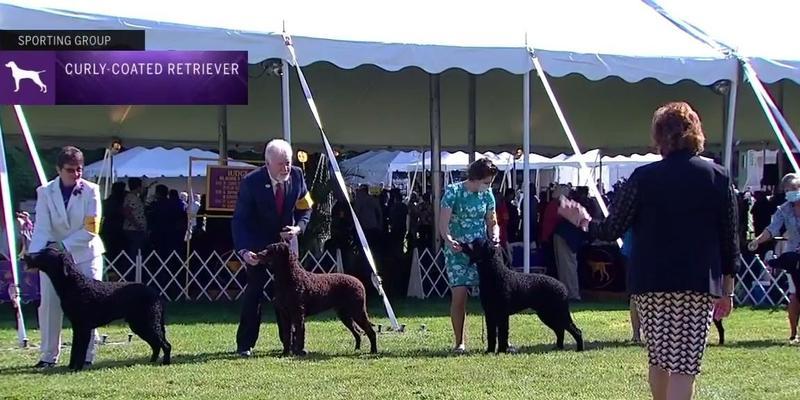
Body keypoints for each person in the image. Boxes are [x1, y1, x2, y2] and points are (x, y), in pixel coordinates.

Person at [559, 102, 737, 400]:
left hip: (651, 282)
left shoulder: (642, 177)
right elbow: (729, 238)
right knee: (685, 366)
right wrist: (728, 289)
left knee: (659, 358)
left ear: (659, 136)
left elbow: (611, 229)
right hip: (698, 282)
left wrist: (583, 220)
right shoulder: (718, 177)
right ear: (696, 132)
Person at [231, 139, 313, 357]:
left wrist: (298, 228)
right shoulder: (251, 182)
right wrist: (244, 251)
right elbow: (240, 220)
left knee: (289, 295)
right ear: (267, 163)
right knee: (254, 292)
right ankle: (245, 344)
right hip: (259, 247)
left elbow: (306, 208)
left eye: (287, 162)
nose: (285, 168)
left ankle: (292, 343)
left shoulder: (297, 175)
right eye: (280, 164)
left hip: (285, 249)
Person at [28, 146, 106, 368]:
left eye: (79, 170)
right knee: (49, 304)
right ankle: (48, 355)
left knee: (89, 306)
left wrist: (62, 246)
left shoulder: (92, 190)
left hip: (86, 254)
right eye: (70, 170)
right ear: (58, 169)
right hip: (53, 259)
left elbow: (92, 228)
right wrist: (36, 257)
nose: (76, 174)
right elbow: (42, 227)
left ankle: (87, 355)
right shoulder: (44, 192)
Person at [438, 158, 500, 354]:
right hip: (457, 251)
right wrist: (448, 240)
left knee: (493, 295)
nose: (488, 186)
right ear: (476, 178)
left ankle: (497, 340)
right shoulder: (453, 192)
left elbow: (492, 221)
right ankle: (459, 342)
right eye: (487, 182)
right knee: (459, 295)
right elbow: (443, 223)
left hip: (481, 252)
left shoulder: (488, 195)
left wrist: (495, 233)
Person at [747, 173, 800, 343]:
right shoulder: (783, 209)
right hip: (794, 257)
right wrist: (758, 240)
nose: (789, 192)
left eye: (792, 189)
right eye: (786, 189)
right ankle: (793, 333)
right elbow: (772, 229)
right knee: (794, 295)